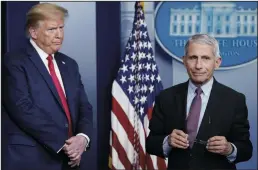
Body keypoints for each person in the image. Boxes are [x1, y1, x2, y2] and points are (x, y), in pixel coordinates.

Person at [2, 3, 93, 170]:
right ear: (33, 32)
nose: (59, 35)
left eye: (61, 28)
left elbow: (84, 107)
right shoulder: (14, 62)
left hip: (69, 161)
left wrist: (82, 138)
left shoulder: (70, 64)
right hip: (30, 160)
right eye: (52, 29)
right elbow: (22, 108)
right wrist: (65, 145)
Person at [146, 34, 252, 169]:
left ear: (217, 62)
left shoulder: (235, 100)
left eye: (206, 58)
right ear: (184, 61)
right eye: (193, 58)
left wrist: (229, 148)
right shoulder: (166, 97)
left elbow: (246, 149)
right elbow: (151, 144)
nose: (198, 65)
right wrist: (168, 141)